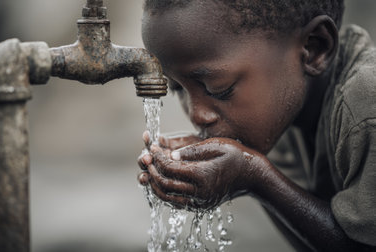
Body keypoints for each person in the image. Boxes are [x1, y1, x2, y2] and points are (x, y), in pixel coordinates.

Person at [136, 0, 376, 251]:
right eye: (177, 89)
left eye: (218, 89)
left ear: (314, 47)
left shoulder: (366, 105)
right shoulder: (281, 114)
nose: (196, 116)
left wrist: (257, 178)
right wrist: (249, 174)